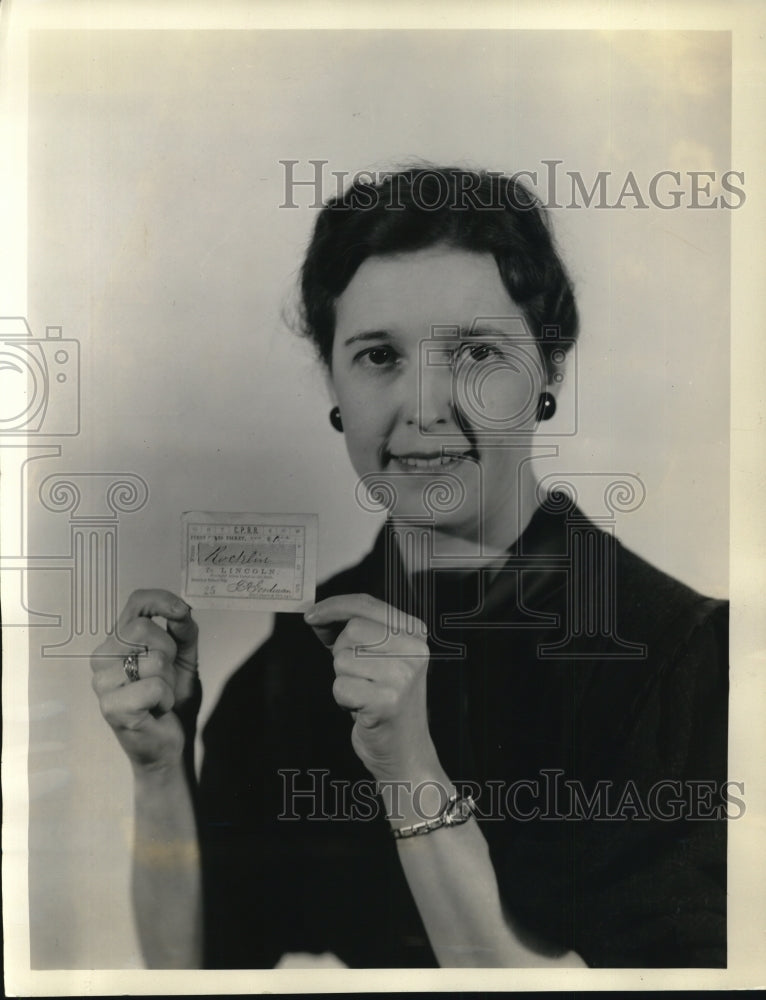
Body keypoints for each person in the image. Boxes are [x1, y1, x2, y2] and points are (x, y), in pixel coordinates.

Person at [90, 166, 728, 969]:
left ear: (549, 371)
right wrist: (158, 770)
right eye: (379, 355)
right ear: (335, 384)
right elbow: (193, 974)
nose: (424, 406)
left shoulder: (679, 658)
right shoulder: (300, 657)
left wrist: (409, 771)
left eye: (475, 352)